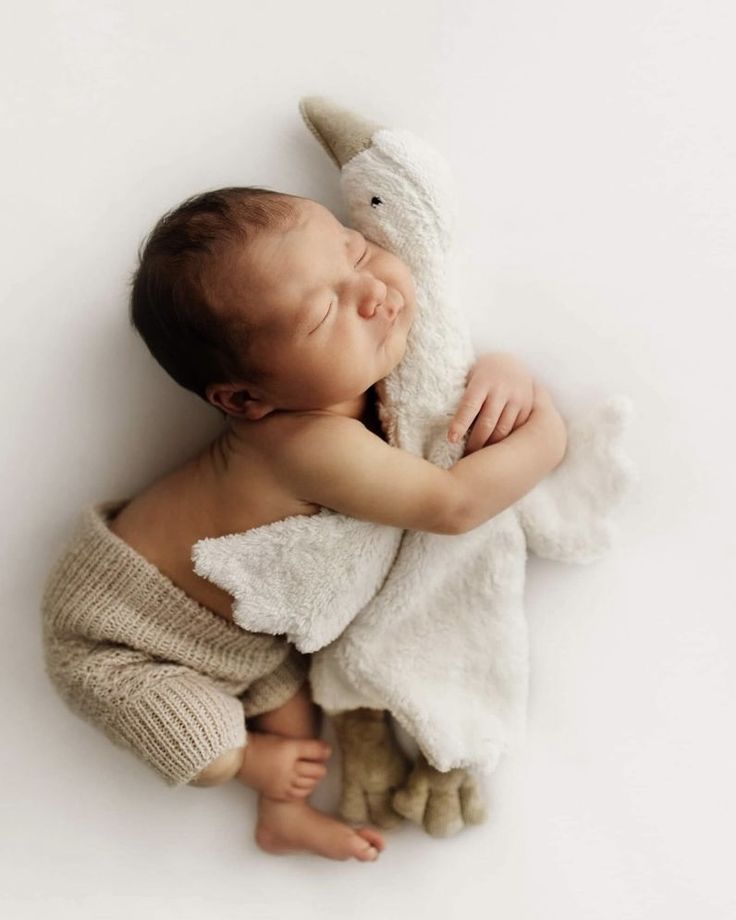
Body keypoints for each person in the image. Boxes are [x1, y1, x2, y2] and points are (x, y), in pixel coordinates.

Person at [42, 186, 567, 863]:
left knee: (297, 718)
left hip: (239, 644)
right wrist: (546, 428)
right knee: (204, 743)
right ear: (244, 399)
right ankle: (251, 770)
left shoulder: (361, 370)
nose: (373, 291)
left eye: (356, 252)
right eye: (326, 311)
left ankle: (280, 818)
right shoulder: (305, 443)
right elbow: (453, 505)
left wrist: (505, 373)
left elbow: (448, 379)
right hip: (118, 633)